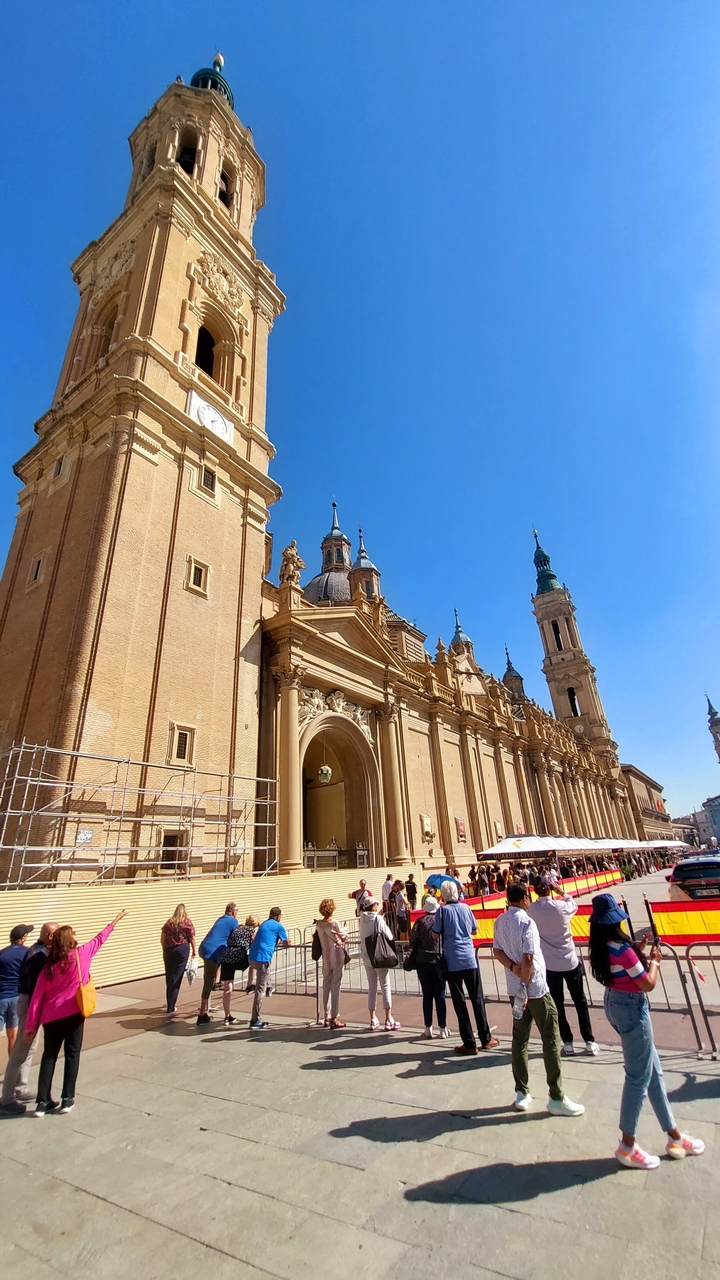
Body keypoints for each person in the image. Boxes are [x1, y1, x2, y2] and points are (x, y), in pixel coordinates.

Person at [588, 892, 705, 1169]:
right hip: (632, 1007)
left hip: (614, 1003)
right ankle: (627, 1145)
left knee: (653, 1073)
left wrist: (637, 951)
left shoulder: (602, 946)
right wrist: (655, 961)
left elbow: (622, 968)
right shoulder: (621, 948)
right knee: (638, 1078)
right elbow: (647, 983)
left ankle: (674, 1135)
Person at [493, 882, 584, 1116]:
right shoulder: (527, 922)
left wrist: (512, 969)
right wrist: (525, 985)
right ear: (524, 897)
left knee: (519, 1040)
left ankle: (521, 1092)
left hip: (515, 990)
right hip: (534, 990)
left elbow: (497, 951)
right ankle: (556, 1096)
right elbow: (529, 958)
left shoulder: (500, 921)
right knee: (551, 1038)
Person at [26, 911, 127, 1116]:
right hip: (74, 1013)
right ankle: (67, 1098)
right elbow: (100, 939)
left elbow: (37, 997)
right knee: (72, 1054)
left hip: (51, 1017)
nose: (76, 935)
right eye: (73, 933)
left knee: (49, 1056)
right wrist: (114, 921)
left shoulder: (48, 966)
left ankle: (42, 1102)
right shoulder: (81, 954)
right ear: (68, 939)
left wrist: (31, 1025)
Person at [527, 877, 599, 1057]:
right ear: (549, 889)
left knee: (558, 1004)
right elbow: (573, 904)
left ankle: (568, 1042)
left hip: (550, 965)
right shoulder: (561, 907)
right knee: (580, 1001)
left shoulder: (533, 910)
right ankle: (589, 1040)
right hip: (570, 961)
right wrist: (561, 892)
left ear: (535, 891)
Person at [431, 880, 499, 1055]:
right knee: (477, 999)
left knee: (459, 1002)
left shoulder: (442, 911)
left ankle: (469, 1042)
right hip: (469, 959)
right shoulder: (466, 908)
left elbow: (434, 934)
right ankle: (486, 1038)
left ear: (443, 895)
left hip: (452, 962)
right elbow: (474, 930)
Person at [0, 922, 57, 1116]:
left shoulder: (33, 951)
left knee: (29, 1048)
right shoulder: (37, 955)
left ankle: (20, 1088)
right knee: (19, 1052)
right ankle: (7, 1099)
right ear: (50, 935)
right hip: (28, 1003)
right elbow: (35, 988)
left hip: (18, 1000)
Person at [357, 894, 401, 1030]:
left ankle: (372, 1019)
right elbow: (389, 935)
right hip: (379, 956)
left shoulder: (361, 919)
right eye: (376, 904)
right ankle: (388, 1018)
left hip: (367, 957)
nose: (377, 905)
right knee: (385, 986)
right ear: (373, 906)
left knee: (372, 987)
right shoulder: (378, 919)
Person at [408, 895, 447, 1038]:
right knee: (440, 995)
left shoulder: (419, 922)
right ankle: (442, 1028)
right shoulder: (441, 921)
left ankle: (428, 1027)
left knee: (427, 995)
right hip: (438, 960)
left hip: (422, 962)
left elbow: (412, 939)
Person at [196, 903, 238, 1026]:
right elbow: (235, 937)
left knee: (211, 977)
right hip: (212, 951)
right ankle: (201, 1014)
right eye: (237, 911)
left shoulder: (221, 919)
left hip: (207, 948)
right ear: (233, 912)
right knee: (208, 981)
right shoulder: (233, 921)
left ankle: (216, 981)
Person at [248, 908, 289, 1029]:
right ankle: (255, 1019)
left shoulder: (264, 924)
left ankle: (269, 986)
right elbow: (287, 942)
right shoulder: (278, 926)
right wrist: (286, 943)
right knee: (260, 990)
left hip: (252, 957)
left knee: (265, 976)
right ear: (277, 916)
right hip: (263, 958)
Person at [0, 923, 34, 1060]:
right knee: (12, 1034)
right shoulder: (28, 953)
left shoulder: (2, 953)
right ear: (23, 938)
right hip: (16, 997)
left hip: (1, 997)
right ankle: (11, 1065)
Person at [316, 898, 348, 1028]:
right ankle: (334, 1016)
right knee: (336, 986)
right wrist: (345, 930)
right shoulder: (334, 923)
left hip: (326, 957)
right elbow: (344, 936)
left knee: (326, 986)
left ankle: (326, 1016)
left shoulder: (319, 924)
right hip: (337, 955)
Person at [160, 904, 196, 1017]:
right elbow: (192, 937)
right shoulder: (187, 922)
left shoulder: (169, 922)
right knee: (177, 977)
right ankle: (171, 1006)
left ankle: (169, 1003)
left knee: (169, 976)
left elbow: (162, 938)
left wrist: (165, 948)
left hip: (169, 950)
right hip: (182, 949)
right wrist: (194, 951)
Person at [220, 915, 256, 1024]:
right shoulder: (251, 930)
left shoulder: (237, 928)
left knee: (227, 987)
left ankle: (227, 1015)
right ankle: (249, 985)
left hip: (227, 956)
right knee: (253, 962)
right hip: (239, 955)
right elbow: (254, 943)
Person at [244, 916, 261, 993]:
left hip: (239, 951)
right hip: (247, 952)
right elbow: (254, 940)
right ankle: (249, 984)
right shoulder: (251, 931)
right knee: (253, 966)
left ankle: (249, 984)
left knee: (252, 966)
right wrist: (260, 926)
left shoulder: (242, 928)